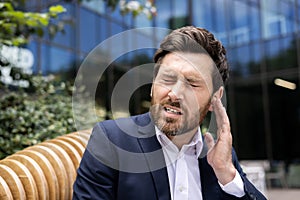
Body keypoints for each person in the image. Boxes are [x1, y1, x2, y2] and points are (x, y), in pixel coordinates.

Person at [73, 26, 267, 200]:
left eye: (192, 84)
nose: (174, 94)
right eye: (167, 79)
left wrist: (227, 174)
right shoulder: (111, 140)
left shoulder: (220, 156)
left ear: (215, 98)